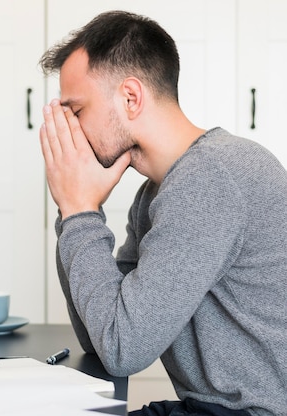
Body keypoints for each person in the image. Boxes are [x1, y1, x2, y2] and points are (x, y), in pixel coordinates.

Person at [38, 10, 287, 416]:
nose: (71, 132)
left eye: (77, 111)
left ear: (131, 97)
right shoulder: (156, 192)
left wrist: (79, 212)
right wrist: (74, 215)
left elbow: (121, 347)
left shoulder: (210, 177)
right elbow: (102, 332)